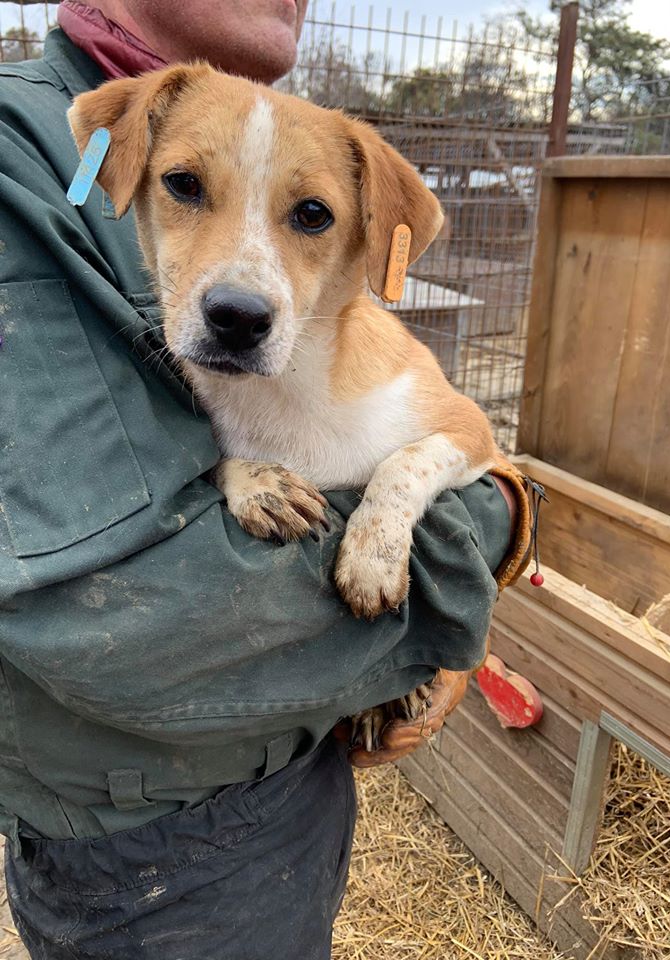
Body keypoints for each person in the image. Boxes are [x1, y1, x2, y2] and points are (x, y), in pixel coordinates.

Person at [0, 2, 532, 958]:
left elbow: (466, 435)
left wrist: (400, 508)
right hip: (143, 832)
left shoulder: (380, 394)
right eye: (188, 188)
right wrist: (480, 544)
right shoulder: (35, 144)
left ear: (366, 231)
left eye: (310, 216)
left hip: (298, 786)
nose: (242, 283)